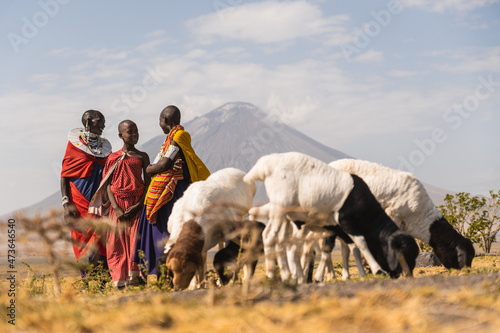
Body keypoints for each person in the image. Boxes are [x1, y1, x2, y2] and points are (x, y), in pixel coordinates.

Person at [134, 105, 210, 275]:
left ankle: (167, 268)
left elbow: (165, 163)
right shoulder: (171, 137)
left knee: (167, 228)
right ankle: (160, 269)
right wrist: (156, 167)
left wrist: (148, 170)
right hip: (167, 188)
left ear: (165, 120)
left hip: (172, 191)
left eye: (160, 121)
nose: (159, 124)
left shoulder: (178, 135)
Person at [60, 110, 112, 274]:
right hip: (78, 205)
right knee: (83, 242)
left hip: (100, 204)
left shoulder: (104, 148)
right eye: (100, 121)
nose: (103, 124)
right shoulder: (73, 147)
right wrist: (66, 204)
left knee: (101, 240)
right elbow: (64, 176)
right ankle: (87, 282)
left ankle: (101, 281)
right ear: (88, 121)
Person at [103, 120, 150, 288]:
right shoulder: (112, 158)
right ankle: (119, 282)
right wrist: (116, 208)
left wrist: (138, 205)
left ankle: (136, 280)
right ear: (120, 135)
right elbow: (108, 184)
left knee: (135, 241)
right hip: (117, 207)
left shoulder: (142, 157)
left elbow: (148, 183)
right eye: (130, 132)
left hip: (136, 206)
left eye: (136, 131)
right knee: (116, 244)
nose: (134, 135)